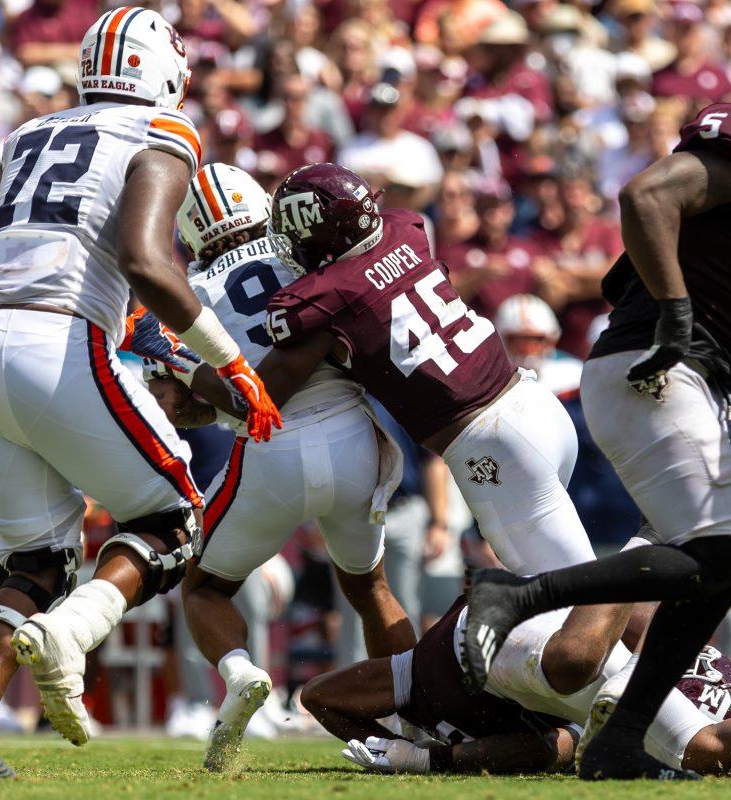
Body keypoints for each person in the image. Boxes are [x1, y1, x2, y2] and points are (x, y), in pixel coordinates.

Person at [462, 44, 731, 780]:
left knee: (722, 565)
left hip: (698, 377)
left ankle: (623, 739)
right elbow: (647, 197)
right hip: (654, 362)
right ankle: (521, 593)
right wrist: (677, 313)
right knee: (720, 556)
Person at [0, 7, 280, 778]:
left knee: (36, 561)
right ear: (163, 74)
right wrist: (233, 366)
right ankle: (74, 635)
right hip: (58, 343)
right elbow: (148, 263)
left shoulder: (29, 134)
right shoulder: (162, 131)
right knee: (171, 515)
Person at [172, 164, 629, 702]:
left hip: (488, 445)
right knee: (567, 595)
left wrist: (178, 363)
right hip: (533, 403)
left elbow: (258, 398)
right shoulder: (407, 225)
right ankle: (640, 689)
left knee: (580, 605)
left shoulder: (319, 299)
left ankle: (662, 706)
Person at [153, 163, 411, 770]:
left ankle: (241, 673)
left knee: (206, 588)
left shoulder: (191, 294)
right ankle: (416, 718)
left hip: (269, 451)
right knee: (370, 589)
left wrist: (204, 396)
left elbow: (180, 404)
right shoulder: (310, 257)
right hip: (352, 437)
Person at [303, 581, 731, 776]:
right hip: (579, 666)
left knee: (576, 672)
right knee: (692, 743)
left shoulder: (410, 678)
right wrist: (403, 746)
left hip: (514, 640)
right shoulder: (416, 687)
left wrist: (420, 758)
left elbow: (321, 694)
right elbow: (316, 696)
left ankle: (637, 554)